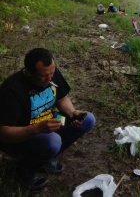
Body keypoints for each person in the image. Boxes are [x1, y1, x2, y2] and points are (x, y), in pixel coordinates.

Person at [0, 48, 96, 190]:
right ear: (29, 71)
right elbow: (3, 134)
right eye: (44, 76)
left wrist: (72, 113)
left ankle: (44, 158)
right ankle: (24, 171)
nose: (49, 78)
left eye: (52, 73)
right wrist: (37, 129)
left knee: (87, 120)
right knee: (53, 141)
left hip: (50, 120)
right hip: (23, 133)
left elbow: (62, 98)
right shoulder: (11, 90)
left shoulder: (50, 73)